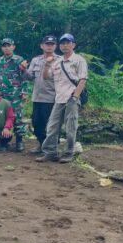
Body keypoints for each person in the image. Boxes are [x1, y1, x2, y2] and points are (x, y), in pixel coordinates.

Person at [37, 33, 88, 163]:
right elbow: (47, 77)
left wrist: (75, 96)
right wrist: (47, 65)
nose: (65, 46)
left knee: (70, 127)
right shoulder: (57, 61)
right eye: (63, 43)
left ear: (73, 45)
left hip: (71, 97)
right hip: (59, 98)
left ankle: (68, 153)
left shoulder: (79, 60)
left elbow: (82, 79)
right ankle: (50, 152)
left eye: (68, 43)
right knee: (52, 126)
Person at [0, 38, 29, 152]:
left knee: (18, 117)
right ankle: (2, 140)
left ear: (13, 47)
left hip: (15, 94)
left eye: (9, 45)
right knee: (1, 118)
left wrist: (24, 92)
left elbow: (25, 77)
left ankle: (19, 141)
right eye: (4, 46)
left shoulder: (19, 60)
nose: (6, 47)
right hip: (1, 95)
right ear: (2, 48)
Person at [24, 35, 59, 153]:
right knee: (36, 123)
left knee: (50, 125)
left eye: (52, 44)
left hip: (51, 98)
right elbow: (29, 77)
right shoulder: (36, 60)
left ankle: (51, 148)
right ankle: (41, 145)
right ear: (42, 46)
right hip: (37, 98)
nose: (49, 46)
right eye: (47, 44)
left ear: (55, 46)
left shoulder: (59, 60)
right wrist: (23, 69)